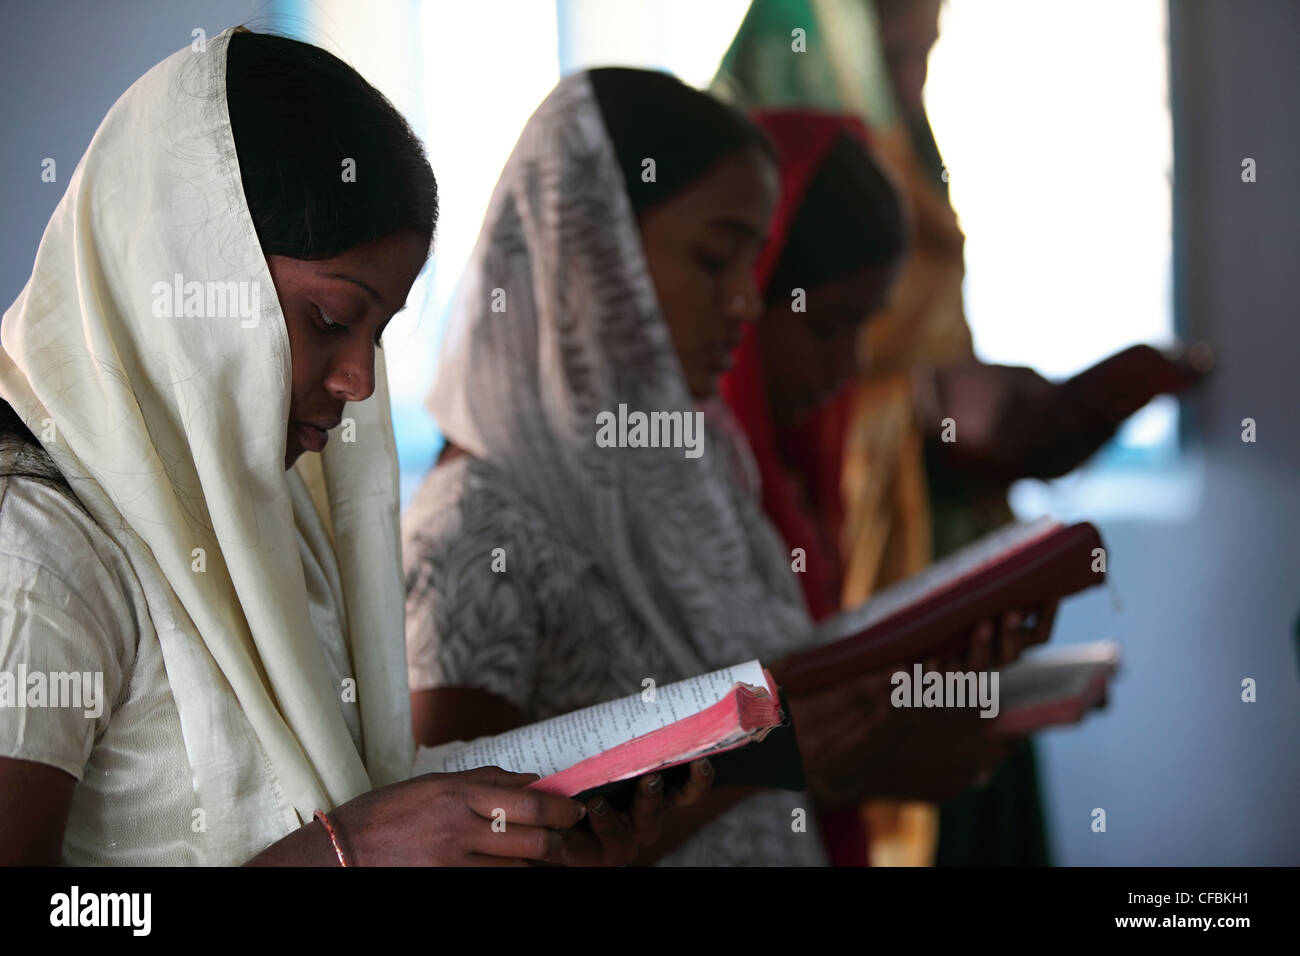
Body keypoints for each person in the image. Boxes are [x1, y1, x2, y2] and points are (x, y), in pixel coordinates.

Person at [0, 27, 660, 867]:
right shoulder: (34, 552)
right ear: (187, 276)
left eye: (377, 336)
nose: (359, 381)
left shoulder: (264, 513)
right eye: (329, 321)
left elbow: (338, 786)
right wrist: (345, 854)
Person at [404, 66, 1032, 866]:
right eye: (713, 261)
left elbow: (779, 718)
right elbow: (469, 854)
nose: (744, 302)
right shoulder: (471, 528)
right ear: (592, 256)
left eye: (752, 267)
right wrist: (782, 762)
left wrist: (899, 706)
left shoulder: (698, 466)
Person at [713, 0, 1204, 865]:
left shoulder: (911, 162)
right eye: (899, 39)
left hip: (949, 564)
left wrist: (1044, 416)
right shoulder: (769, 180)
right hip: (856, 571)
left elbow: (926, 363)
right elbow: (765, 384)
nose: (919, 54)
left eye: (930, 37)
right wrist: (921, 406)